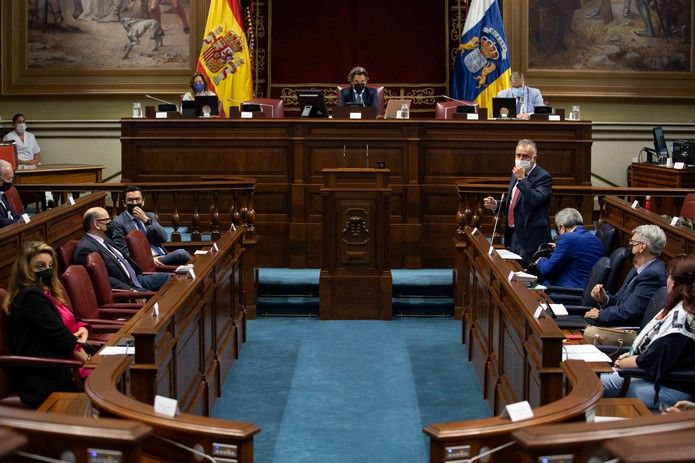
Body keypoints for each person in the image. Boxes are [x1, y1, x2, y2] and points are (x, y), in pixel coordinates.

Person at [3, 241, 91, 408]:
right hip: (48, 374)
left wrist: (82, 329)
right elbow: (60, 337)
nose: (47, 270)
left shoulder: (47, 292)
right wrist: (88, 359)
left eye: (50, 265)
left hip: (65, 360)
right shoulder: (30, 297)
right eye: (40, 266)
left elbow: (73, 317)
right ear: (26, 269)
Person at [601, 254, 695, 410]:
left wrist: (624, 362)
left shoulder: (682, 319)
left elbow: (653, 361)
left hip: (668, 388)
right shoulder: (682, 307)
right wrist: (631, 355)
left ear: (677, 283)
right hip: (652, 376)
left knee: (587, 385)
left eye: (670, 275)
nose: (668, 279)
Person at [483, 139, 552, 266]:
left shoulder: (543, 177)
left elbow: (536, 200)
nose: (520, 158)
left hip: (530, 237)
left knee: (525, 275)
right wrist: (497, 204)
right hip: (513, 233)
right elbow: (514, 202)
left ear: (534, 159)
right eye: (518, 155)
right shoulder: (516, 174)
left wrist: (522, 179)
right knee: (513, 270)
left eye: (525, 156)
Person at [585, 224, 668, 326]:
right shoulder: (637, 268)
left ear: (642, 247)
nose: (629, 246)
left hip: (626, 330)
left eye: (632, 242)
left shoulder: (652, 275)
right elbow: (621, 301)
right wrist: (604, 299)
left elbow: (628, 313)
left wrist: (600, 314)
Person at [75, 207, 170, 291]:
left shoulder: (105, 238)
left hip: (136, 279)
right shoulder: (86, 248)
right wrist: (129, 289)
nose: (111, 223)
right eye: (107, 220)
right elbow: (101, 279)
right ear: (96, 224)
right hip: (127, 287)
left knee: (166, 278)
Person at [112, 186, 191, 265]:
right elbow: (123, 251)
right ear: (124, 203)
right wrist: (148, 260)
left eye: (137, 199)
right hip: (146, 262)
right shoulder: (118, 222)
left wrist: (146, 220)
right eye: (130, 200)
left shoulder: (150, 216)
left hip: (162, 255)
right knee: (181, 254)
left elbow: (164, 238)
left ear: (143, 201)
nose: (135, 203)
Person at [535, 207, 604, 288]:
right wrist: (560, 247)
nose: (559, 234)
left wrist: (540, 260)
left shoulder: (568, 238)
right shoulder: (596, 240)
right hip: (587, 289)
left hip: (569, 289)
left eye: (558, 230)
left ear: (562, 227)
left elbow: (547, 269)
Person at [0, 160, 19, 228]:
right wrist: (19, 223)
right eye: (8, 179)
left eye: (12, 178)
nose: (11, 182)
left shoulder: (2, 192)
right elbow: (1, 221)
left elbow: (10, 213)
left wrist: (24, 218)